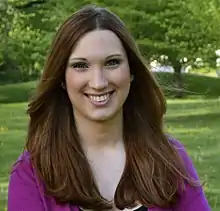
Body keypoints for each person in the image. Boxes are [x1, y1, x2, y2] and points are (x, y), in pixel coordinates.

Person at [7, 5, 211, 211]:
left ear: (131, 71)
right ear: (61, 78)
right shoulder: (32, 172)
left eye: (112, 63)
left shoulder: (169, 157)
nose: (98, 82)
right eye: (80, 65)